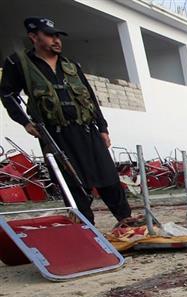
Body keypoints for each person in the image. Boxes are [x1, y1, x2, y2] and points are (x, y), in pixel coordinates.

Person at [1, 17, 131, 224]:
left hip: (87, 130)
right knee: (72, 182)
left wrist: (103, 128)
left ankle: (125, 220)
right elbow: (8, 95)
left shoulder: (70, 65)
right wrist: (25, 122)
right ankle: (86, 226)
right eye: (50, 35)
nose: (56, 40)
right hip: (55, 134)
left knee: (108, 177)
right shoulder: (18, 63)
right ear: (34, 36)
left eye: (58, 36)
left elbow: (90, 97)